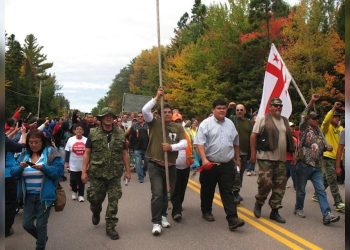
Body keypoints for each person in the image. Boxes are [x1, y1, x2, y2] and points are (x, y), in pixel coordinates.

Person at [194, 99, 245, 231]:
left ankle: (232, 219)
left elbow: (236, 142)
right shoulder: (205, 124)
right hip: (210, 164)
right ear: (213, 110)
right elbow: (199, 143)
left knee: (227, 191)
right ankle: (206, 210)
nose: (222, 110)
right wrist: (204, 159)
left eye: (224, 108)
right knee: (207, 190)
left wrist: (237, 158)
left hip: (227, 164)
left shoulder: (230, 124)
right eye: (219, 108)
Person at [142, 87, 187, 236]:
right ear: (160, 114)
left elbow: (185, 144)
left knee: (168, 193)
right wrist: (156, 97)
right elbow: (144, 110)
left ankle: (163, 216)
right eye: (164, 112)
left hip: (171, 166)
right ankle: (156, 222)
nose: (167, 114)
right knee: (157, 193)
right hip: (155, 164)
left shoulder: (178, 127)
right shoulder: (154, 123)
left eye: (170, 112)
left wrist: (171, 147)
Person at [81, 107, 131, 240]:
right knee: (95, 199)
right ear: (101, 118)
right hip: (97, 174)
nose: (108, 118)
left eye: (110, 116)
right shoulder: (93, 133)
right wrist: (84, 171)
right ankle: (96, 211)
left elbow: (124, 153)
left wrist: (128, 171)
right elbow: (87, 153)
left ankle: (111, 227)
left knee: (114, 201)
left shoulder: (120, 133)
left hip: (115, 174)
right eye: (105, 116)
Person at [10, 129, 64, 250]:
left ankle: (40, 246)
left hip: (45, 197)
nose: (33, 145)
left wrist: (44, 168)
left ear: (42, 142)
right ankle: (42, 238)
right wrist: (20, 167)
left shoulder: (51, 153)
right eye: (31, 142)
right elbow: (13, 172)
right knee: (26, 224)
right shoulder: (24, 155)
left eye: (37, 142)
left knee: (41, 225)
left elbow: (58, 173)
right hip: (28, 197)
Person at [294, 94, 340, 225]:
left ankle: (327, 214)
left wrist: (328, 147)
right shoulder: (304, 128)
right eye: (314, 118)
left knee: (320, 190)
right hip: (303, 164)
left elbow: (323, 146)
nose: (316, 120)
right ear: (309, 120)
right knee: (301, 190)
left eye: (317, 119)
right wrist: (312, 101)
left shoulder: (319, 132)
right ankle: (298, 208)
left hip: (317, 167)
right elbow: (303, 115)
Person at [250, 98, 294, 223]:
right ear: (270, 107)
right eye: (275, 105)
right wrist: (253, 154)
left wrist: (293, 154)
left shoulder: (284, 120)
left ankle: (275, 211)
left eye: (280, 106)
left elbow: (289, 139)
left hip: (281, 159)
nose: (278, 108)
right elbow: (253, 136)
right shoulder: (263, 119)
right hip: (265, 157)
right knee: (266, 183)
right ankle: (259, 202)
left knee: (280, 186)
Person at [318, 101, 345, 213]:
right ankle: (338, 203)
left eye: (338, 117)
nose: (336, 119)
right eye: (334, 117)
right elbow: (325, 121)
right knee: (333, 180)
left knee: (327, 178)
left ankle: (316, 194)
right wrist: (333, 107)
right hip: (328, 157)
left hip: (339, 158)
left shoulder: (341, 129)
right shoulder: (326, 128)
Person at [227, 102, 253, 204]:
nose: (239, 112)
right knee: (236, 173)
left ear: (245, 111)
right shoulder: (232, 120)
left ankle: (236, 192)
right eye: (237, 110)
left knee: (241, 173)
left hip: (245, 153)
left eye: (241, 110)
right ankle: (234, 193)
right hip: (233, 153)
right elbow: (227, 116)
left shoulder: (248, 123)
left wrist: (251, 154)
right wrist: (230, 108)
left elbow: (252, 138)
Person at [171, 112, 193, 222]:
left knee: (182, 188)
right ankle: (176, 210)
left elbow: (192, 146)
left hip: (186, 165)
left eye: (179, 121)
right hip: (174, 166)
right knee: (175, 188)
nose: (178, 123)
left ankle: (178, 204)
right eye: (176, 121)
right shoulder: (169, 133)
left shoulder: (186, 133)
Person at [5, 128, 27, 237]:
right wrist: (23, 133)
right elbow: (22, 145)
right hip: (8, 175)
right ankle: (6, 228)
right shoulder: (6, 142)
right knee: (9, 203)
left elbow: (7, 138)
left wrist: (15, 130)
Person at [64, 123, 87, 202]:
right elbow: (67, 151)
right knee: (73, 180)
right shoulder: (71, 139)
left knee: (82, 180)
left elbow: (88, 152)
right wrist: (66, 162)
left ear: (83, 131)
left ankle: (81, 195)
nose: (79, 131)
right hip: (73, 164)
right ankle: (74, 192)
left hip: (83, 164)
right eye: (77, 129)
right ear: (74, 131)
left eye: (81, 129)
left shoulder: (86, 140)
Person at [126, 112, 149, 183]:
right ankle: (141, 178)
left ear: (144, 117)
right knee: (138, 164)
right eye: (138, 116)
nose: (140, 117)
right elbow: (126, 134)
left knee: (147, 164)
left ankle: (143, 171)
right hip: (137, 148)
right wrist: (128, 141)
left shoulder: (148, 125)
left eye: (141, 116)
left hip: (147, 148)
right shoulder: (134, 126)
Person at [285, 122, 298, 190]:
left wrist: (294, 158)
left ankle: (296, 187)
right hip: (285, 159)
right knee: (289, 173)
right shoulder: (284, 137)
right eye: (290, 127)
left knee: (292, 174)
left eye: (293, 127)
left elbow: (295, 149)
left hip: (291, 159)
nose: (292, 128)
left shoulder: (294, 138)